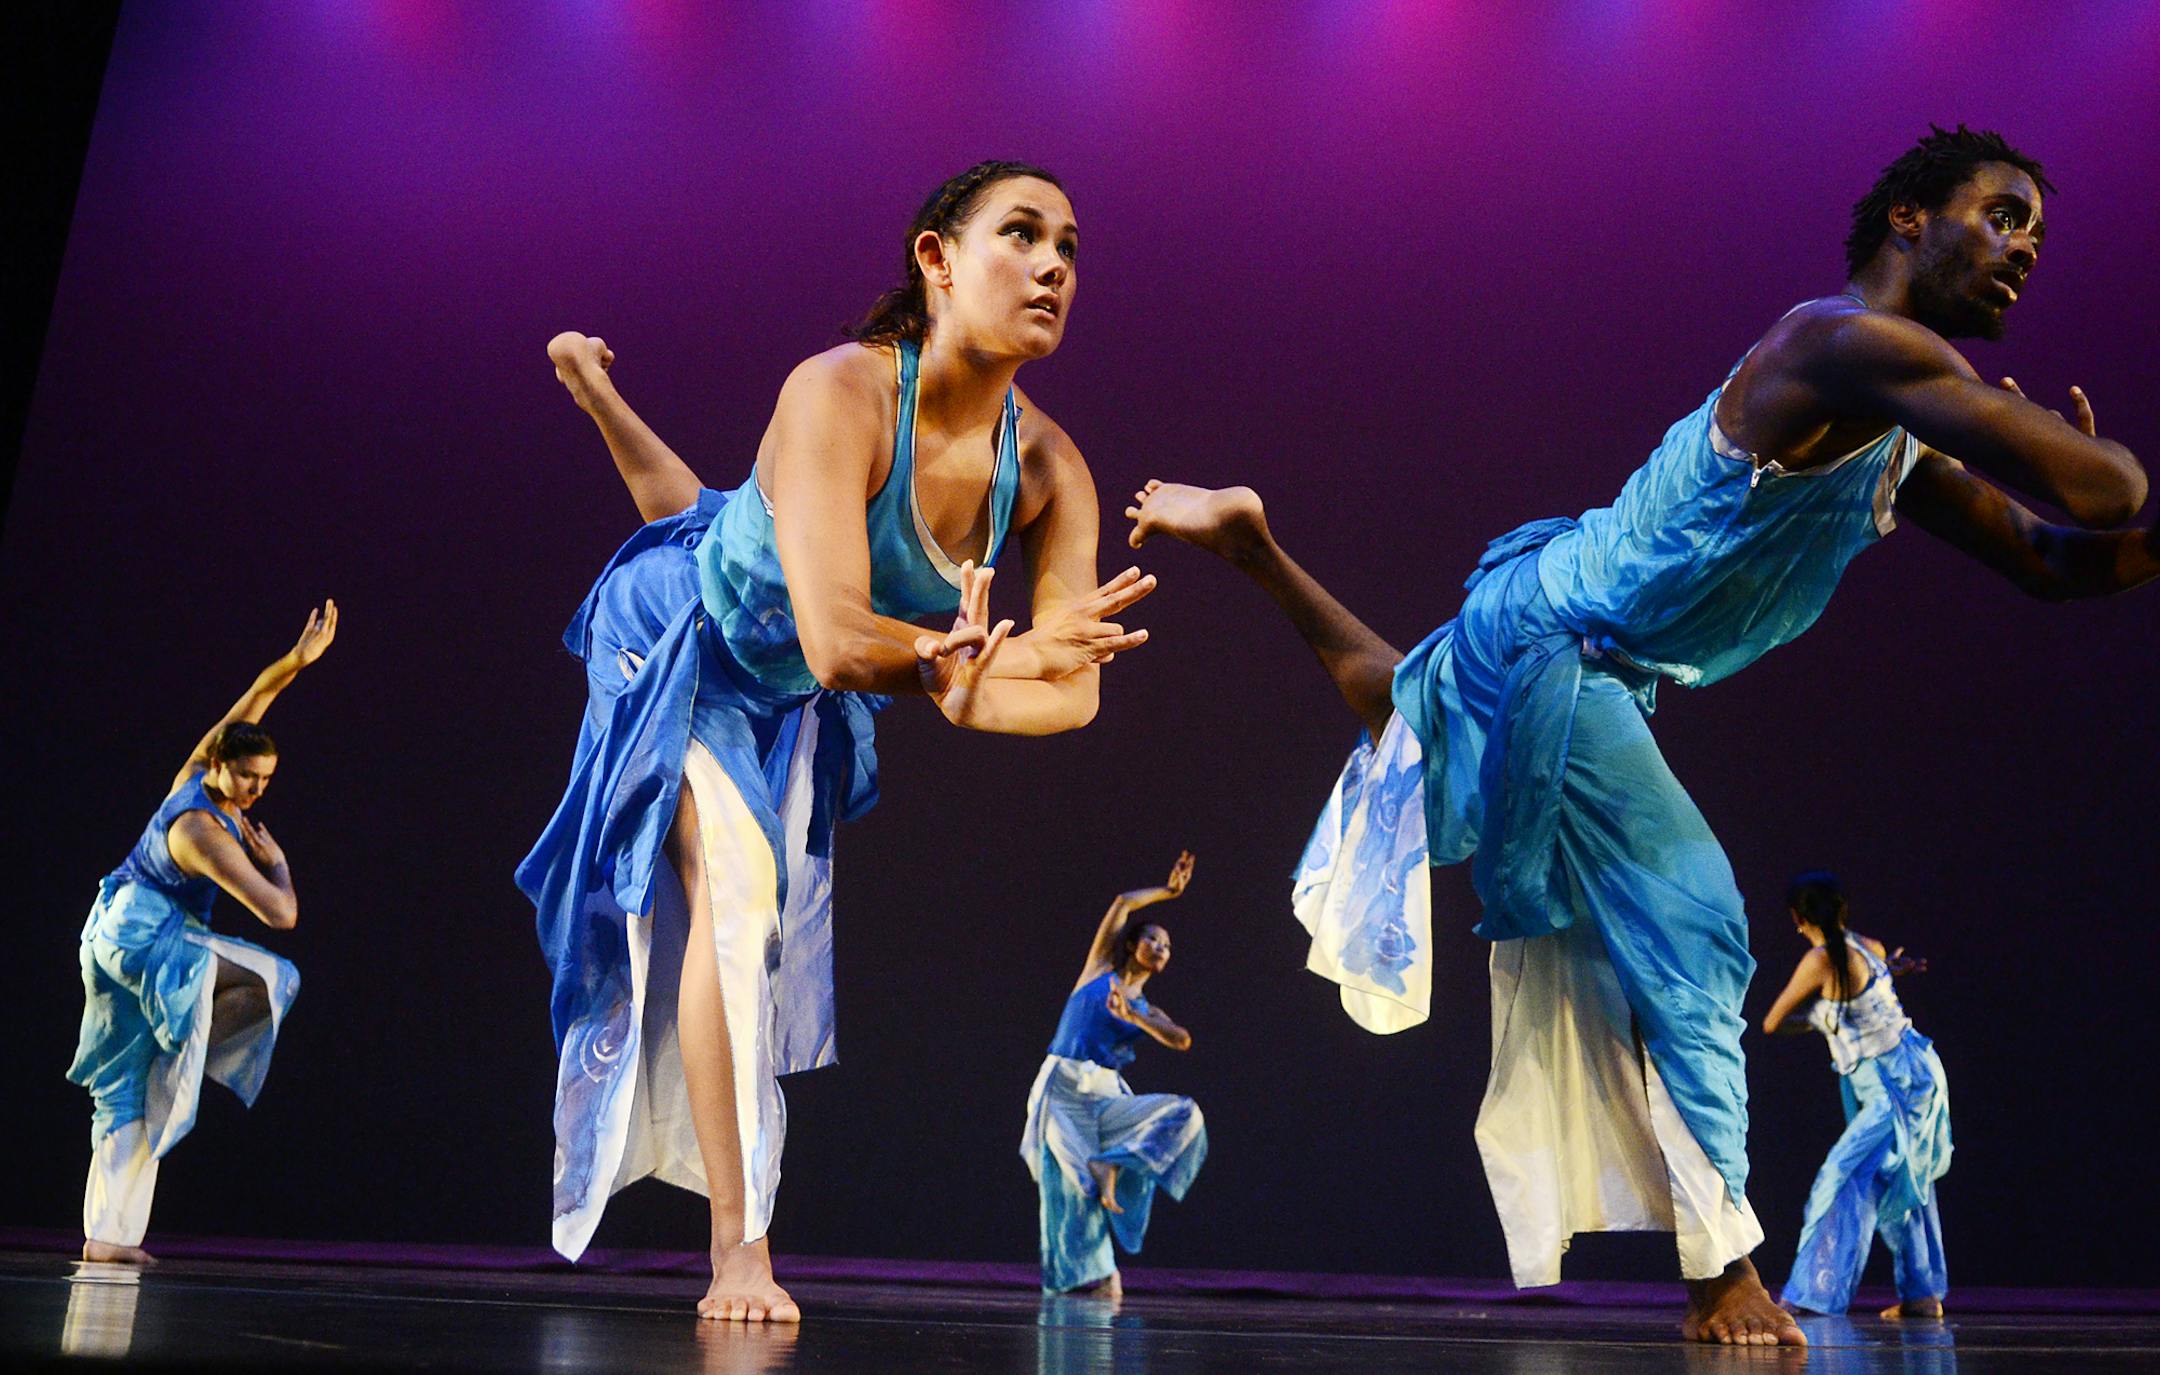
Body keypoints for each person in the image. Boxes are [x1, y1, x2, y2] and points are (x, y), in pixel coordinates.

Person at [1126, 125, 2155, 1346]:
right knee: (1700, 921)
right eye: (2001, 214)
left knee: (1414, 712)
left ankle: (1254, 546)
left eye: (2035, 231)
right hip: (1570, 640)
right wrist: (2088, 451)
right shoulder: (1844, 342)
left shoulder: (1894, 429)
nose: (2023, 247)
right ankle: (1724, 1277)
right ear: (1909, 221)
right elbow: (2110, 493)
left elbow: (2054, 560)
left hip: (1547, 614)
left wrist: (2077, 470)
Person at [518, 161, 1157, 1322]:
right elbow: (834, 636)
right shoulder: (838, 392)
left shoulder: (1054, 470)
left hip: (785, 656)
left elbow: (1071, 693)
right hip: (682, 643)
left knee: (713, 515)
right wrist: (953, 665)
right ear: (936, 258)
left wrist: (977, 686)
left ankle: (596, 391)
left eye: (1071, 244)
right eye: (1021, 234)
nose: (1056, 264)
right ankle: (738, 1251)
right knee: (743, 896)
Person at [66, 603, 334, 1265]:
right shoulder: (204, 832)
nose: (254, 790)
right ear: (219, 764)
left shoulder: (194, 773)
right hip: (144, 938)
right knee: (279, 978)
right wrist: (278, 863)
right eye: (246, 775)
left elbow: (256, 699)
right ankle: (177, 1038)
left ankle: (109, 1238)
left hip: (106, 931)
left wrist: (294, 662)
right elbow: (282, 914)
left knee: (122, 1088)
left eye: (266, 779)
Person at [1762, 873, 1949, 1320]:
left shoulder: (1821, 959)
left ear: (1797, 918)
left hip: (1892, 1086)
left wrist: (1820, 1021)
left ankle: (1810, 1294)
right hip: (1916, 1071)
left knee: (1839, 1178)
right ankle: (1922, 1295)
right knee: (1901, 1179)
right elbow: (1870, 1000)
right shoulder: (1873, 947)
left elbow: (1773, 1022)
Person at [1021, 851, 1208, 1297]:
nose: (1161, 949)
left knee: (1186, 1116)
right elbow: (1123, 903)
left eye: (1167, 947)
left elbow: (1181, 1039)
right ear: (1131, 945)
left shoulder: (1147, 1008)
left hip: (1105, 1093)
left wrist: (1136, 1017)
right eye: (1154, 941)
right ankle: (1094, 1277)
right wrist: (1169, 892)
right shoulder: (1099, 970)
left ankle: (1113, 1162)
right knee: (1076, 1186)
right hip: (1064, 1086)